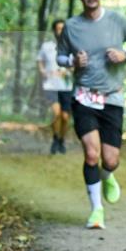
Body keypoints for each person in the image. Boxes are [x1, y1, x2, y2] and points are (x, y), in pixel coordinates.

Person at [57, 0, 126, 230]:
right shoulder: (71, 26)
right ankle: (96, 210)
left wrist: (125, 53)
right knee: (91, 154)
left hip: (112, 97)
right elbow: (60, 57)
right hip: (84, 96)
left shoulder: (117, 20)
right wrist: (72, 61)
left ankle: (108, 175)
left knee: (110, 160)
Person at [38, 19, 73, 154]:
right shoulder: (46, 46)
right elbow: (40, 60)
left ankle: (61, 139)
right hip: (50, 86)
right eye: (58, 29)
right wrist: (43, 71)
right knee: (56, 113)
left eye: (63, 29)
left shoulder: (72, 46)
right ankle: (55, 139)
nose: (61, 32)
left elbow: (76, 64)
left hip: (66, 86)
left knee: (65, 117)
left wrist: (69, 71)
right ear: (54, 31)